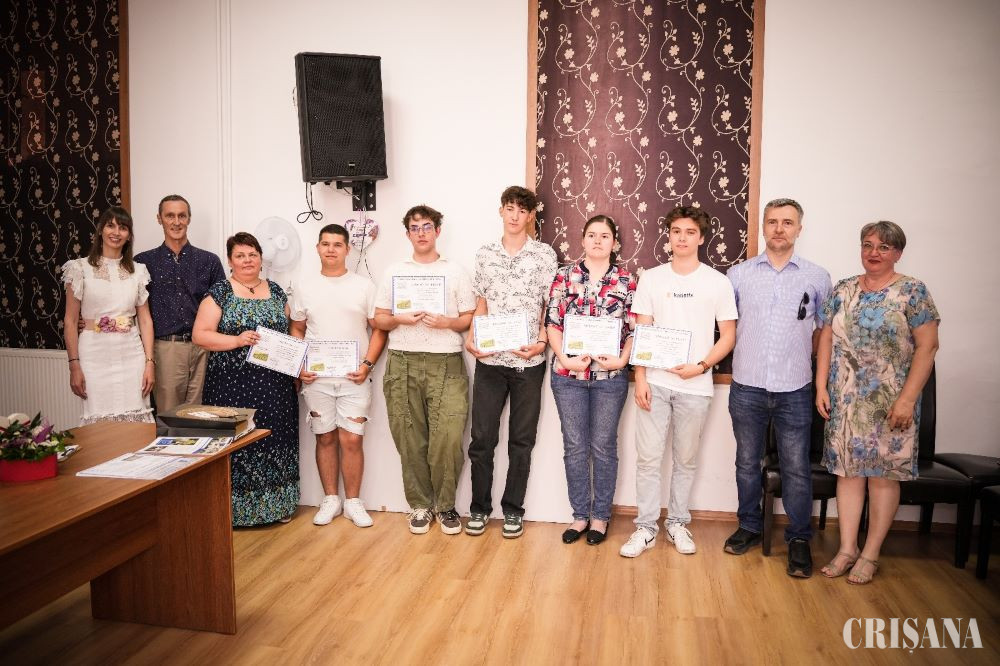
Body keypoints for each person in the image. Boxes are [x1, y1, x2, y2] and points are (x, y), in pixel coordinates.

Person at [816, 221, 939, 584]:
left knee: (883, 477)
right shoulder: (843, 289)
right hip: (845, 400)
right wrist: (821, 387)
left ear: (897, 253)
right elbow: (826, 339)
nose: (874, 253)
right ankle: (847, 549)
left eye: (884, 247)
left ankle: (870, 554)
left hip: (892, 403)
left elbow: (928, 347)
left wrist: (907, 400)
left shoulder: (913, 291)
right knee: (848, 474)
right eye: (868, 245)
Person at [620, 206, 738, 558]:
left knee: (685, 461)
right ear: (668, 236)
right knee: (648, 460)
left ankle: (676, 523)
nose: (682, 238)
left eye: (689, 232)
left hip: (696, 386)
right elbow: (642, 331)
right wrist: (640, 377)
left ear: (701, 238)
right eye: (676, 231)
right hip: (655, 384)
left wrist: (701, 366)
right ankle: (645, 528)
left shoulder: (717, 282)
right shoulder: (652, 279)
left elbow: (728, 335)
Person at [724, 198, 832, 578]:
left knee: (796, 468)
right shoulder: (738, 275)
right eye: (772, 222)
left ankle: (799, 539)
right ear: (763, 227)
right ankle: (750, 526)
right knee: (746, 463)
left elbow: (824, 332)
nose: (779, 229)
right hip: (747, 386)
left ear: (799, 228)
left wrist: (815, 377)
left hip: (795, 389)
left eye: (787, 222)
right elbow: (726, 327)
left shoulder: (817, 277)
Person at [373, 205, 475, 535]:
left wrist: (448, 323)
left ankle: (445, 506)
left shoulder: (455, 271)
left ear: (437, 231)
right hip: (403, 359)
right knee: (409, 436)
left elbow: (469, 317)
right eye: (415, 228)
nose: (421, 233)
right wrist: (398, 318)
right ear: (407, 234)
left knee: (448, 437)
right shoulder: (394, 271)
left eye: (427, 226)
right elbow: (379, 319)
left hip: (446, 361)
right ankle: (419, 505)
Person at [464, 186, 557, 539]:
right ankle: (479, 508)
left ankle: (513, 510)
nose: (515, 215)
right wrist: (473, 336)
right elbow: (481, 303)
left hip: (528, 364)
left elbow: (550, 307)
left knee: (521, 441)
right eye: (509, 208)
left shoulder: (544, 255)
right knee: (482, 439)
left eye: (522, 210)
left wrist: (542, 343)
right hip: (490, 361)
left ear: (530, 215)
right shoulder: (485, 254)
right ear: (501, 211)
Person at [192, 232, 299, 526]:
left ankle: (278, 507)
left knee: (276, 440)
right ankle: (234, 512)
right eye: (240, 256)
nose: (247, 260)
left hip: (275, 385)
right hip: (231, 384)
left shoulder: (276, 291)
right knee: (239, 441)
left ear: (261, 258)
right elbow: (200, 335)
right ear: (230, 261)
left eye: (252, 254)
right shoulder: (220, 293)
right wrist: (237, 340)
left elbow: (290, 332)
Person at [546, 215, 636, 546]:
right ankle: (580, 515)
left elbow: (635, 328)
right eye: (592, 235)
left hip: (610, 377)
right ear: (582, 240)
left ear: (614, 243)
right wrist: (564, 358)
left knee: (603, 446)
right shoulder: (563, 275)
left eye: (605, 236)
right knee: (574, 446)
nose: (598, 241)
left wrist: (623, 359)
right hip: (568, 375)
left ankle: (600, 517)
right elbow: (552, 323)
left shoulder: (627, 280)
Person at [290, 224, 387, 528]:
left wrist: (367, 364)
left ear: (347, 249)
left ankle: (353, 502)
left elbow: (379, 329)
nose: (331, 249)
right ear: (317, 248)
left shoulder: (364, 286)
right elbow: (297, 328)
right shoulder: (304, 286)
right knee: (325, 436)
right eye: (325, 244)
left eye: (337, 244)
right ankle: (331, 499)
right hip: (317, 378)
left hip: (354, 376)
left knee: (352, 439)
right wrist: (300, 364)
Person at [62, 207, 155, 425]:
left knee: (136, 418)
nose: (116, 232)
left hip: (131, 354)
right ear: (100, 230)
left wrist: (150, 363)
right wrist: (74, 365)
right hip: (93, 354)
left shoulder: (139, 271)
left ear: (129, 235)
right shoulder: (79, 268)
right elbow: (70, 321)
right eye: (110, 225)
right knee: (98, 419)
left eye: (123, 228)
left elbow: (145, 320)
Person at [135, 195, 225, 413]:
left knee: (201, 416)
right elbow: (129, 304)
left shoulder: (209, 261)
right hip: (166, 350)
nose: (176, 222)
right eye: (170, 216)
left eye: (182, 216)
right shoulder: (143, 263)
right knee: (170, 418)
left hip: (204, 350)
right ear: (159, 219)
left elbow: (224, 305)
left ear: (189, 219)